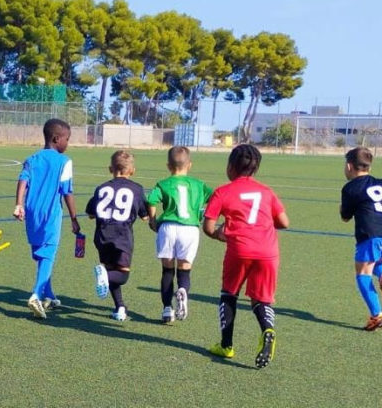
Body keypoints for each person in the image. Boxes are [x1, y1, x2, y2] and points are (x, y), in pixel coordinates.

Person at [203, 144, 289, 369]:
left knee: (229, 294)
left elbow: (209, 227)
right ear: (256, 169)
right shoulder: (266, 191)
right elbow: (284, 222)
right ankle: (268, 330)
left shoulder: (223, 191)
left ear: (230, 167)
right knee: (261, 299)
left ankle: (226, 345)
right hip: (268, 251)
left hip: (240, 249)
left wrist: (222, 235)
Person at [13, 118, 80, 319]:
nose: (68, 143)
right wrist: (74, 218)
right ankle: (36, 294)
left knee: (41, 255)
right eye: (67, 139)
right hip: (51, 213)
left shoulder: (32, 159)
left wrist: (19, 204)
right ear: (56, 138)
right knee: (49, 254)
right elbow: (67, 192)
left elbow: (23, 180)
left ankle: (49, 295)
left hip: (32, 212)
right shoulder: (64, 162)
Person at [146, 146, 212, 324]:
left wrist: (152, 220)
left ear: (168, 166)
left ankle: (167, 309)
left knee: (167, 270)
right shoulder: (198, 185)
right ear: (189, 165)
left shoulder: (163, 184)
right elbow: (214, 199)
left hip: (167, 227)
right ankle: (182, 289)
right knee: (184, 270)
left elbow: (151, 200)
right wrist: (202, 213)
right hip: (190, 229)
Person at [86, 150, 147, 321]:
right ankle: (106, 277)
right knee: (122, 275)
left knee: (110, 270)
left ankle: (120, 307)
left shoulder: (101, 188)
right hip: (122, 236)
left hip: (102, 236)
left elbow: (91, 213)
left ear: (110, 168)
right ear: (132, 171)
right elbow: (145, 216)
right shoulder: (136, 189)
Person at [339, 146, 382, 330]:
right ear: (369, 167)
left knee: (363, 274)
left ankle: (376, 315)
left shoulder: (350, 188)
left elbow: (345, 217)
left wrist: (342, 208)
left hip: (370, 235)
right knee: (378, 265)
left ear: (349, 166)